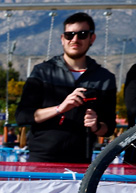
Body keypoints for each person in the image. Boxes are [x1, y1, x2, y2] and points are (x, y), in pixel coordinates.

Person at [15, 12, 116, 164]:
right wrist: (59, 109)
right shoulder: (42, 71)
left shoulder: (105, 78)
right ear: (63, 39)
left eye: (82, 34)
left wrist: (96, 125)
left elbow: (108, 128)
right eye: (70, 35)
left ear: (92, 39)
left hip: (81, 161)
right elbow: (22, 116)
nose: (75, 40)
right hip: (41, 159)